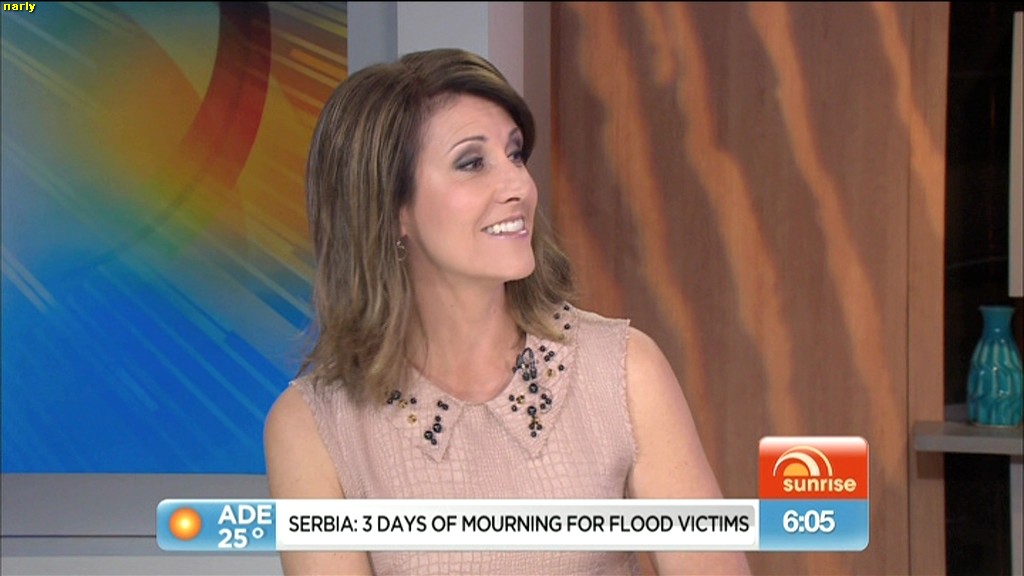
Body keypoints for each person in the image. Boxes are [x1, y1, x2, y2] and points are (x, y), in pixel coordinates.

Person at [264, 47, 751, 576]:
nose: (519, 186)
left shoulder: (625, 371)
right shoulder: (311, 428)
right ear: (391, 208)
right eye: (472, 163)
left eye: (515, 155)